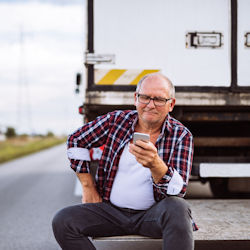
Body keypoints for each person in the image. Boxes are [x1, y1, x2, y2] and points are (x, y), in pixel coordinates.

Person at [52, 73, 198, 250]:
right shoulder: (116, 120)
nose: (150, 105)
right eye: (145, 97)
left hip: (151, 216)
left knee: (178, 208)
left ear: (171, 104)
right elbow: (76, 140)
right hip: (110, 212)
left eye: (159, 99)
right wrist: (88, 186)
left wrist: (155, 164)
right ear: (136, 98)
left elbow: (178, 189)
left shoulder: (181, 135)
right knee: (63, 221)